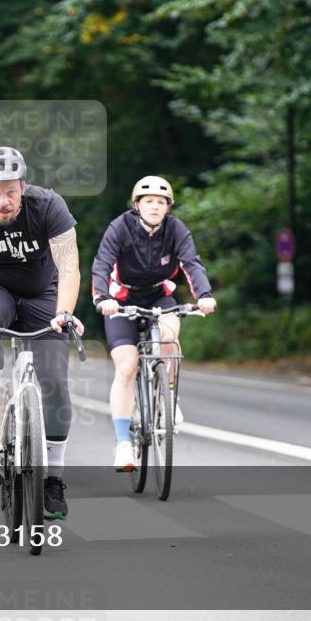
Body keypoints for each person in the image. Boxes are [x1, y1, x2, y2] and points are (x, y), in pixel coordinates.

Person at [0, 146, 84, 521]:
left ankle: (53, 479)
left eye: (10, 191)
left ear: (23, 186)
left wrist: (65, 313)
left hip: (44, 292)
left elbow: (70, 268)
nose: (3, 201)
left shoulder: (50, 206)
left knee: (55, 381)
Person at [91, 176, 216, 472]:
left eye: (161, 202)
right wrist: (102, 297)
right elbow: (102, 264)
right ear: (137, 205)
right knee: (126, 365)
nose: (155, 207)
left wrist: (205, 295)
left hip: (159, 296)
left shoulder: (175, 229)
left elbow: (191, 263)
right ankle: (123, 444)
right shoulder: (120, 227)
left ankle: (169, 396)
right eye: (149, 202)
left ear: (168, 207)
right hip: (122, 300)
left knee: (170, 340)